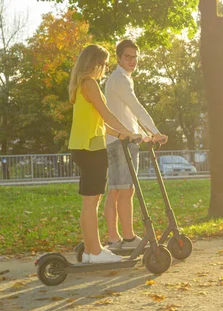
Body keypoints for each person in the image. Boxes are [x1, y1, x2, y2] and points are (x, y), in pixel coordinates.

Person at [68, 44, 142, 264]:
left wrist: (121, 135)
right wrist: (128, 131)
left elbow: (98, 121)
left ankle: (92, 251)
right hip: (91, 149)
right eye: (104, 63)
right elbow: (106, 113)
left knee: (90, 203)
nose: (104, 68)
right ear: (95, 63)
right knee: (91, 204)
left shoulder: (81, 86)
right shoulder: (90, 84)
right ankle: (97, 252)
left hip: (83, 146)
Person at [103, 39, 168, 250]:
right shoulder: (121, 80)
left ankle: (114, 239)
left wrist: (144, 135)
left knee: (115, 190)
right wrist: (155, 132)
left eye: (135, 57)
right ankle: (129, 239)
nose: (132, 61)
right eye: (128, 57)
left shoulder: (118, 79)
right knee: (126, 190)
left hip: (116, 140)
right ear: (119, 58)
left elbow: (127, 114)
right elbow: (136, 108)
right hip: (122, 143)